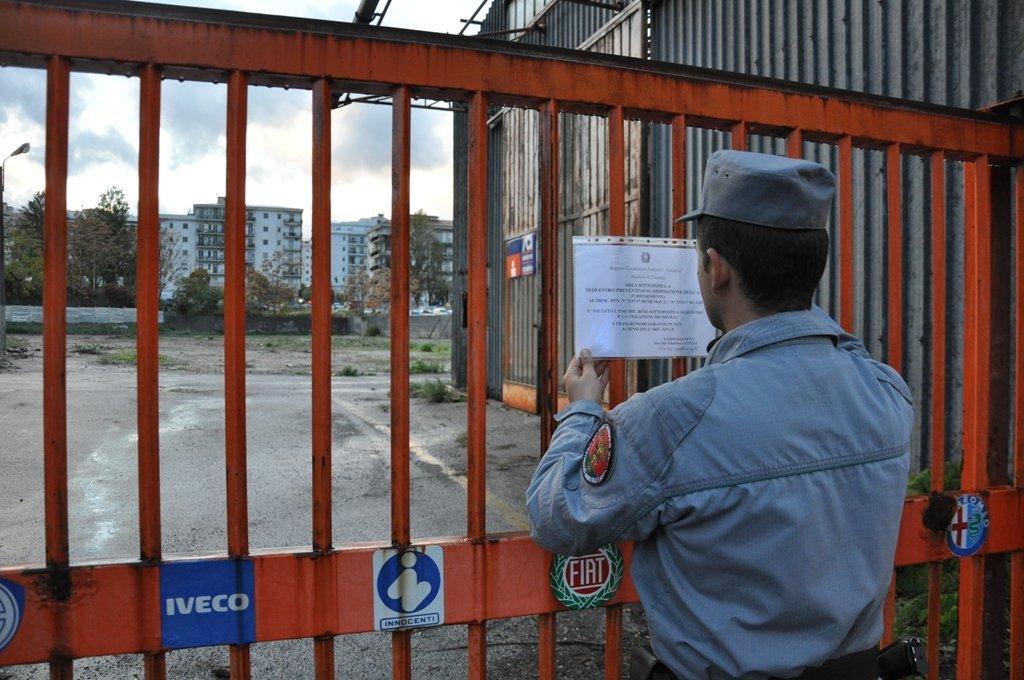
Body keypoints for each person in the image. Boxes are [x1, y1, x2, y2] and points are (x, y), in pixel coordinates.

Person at [526, 150, 912, 680]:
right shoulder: (884, 391)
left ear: (717, 269)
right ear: (813, 265)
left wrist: (583, 410)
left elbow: (557, 515)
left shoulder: (672, 417)